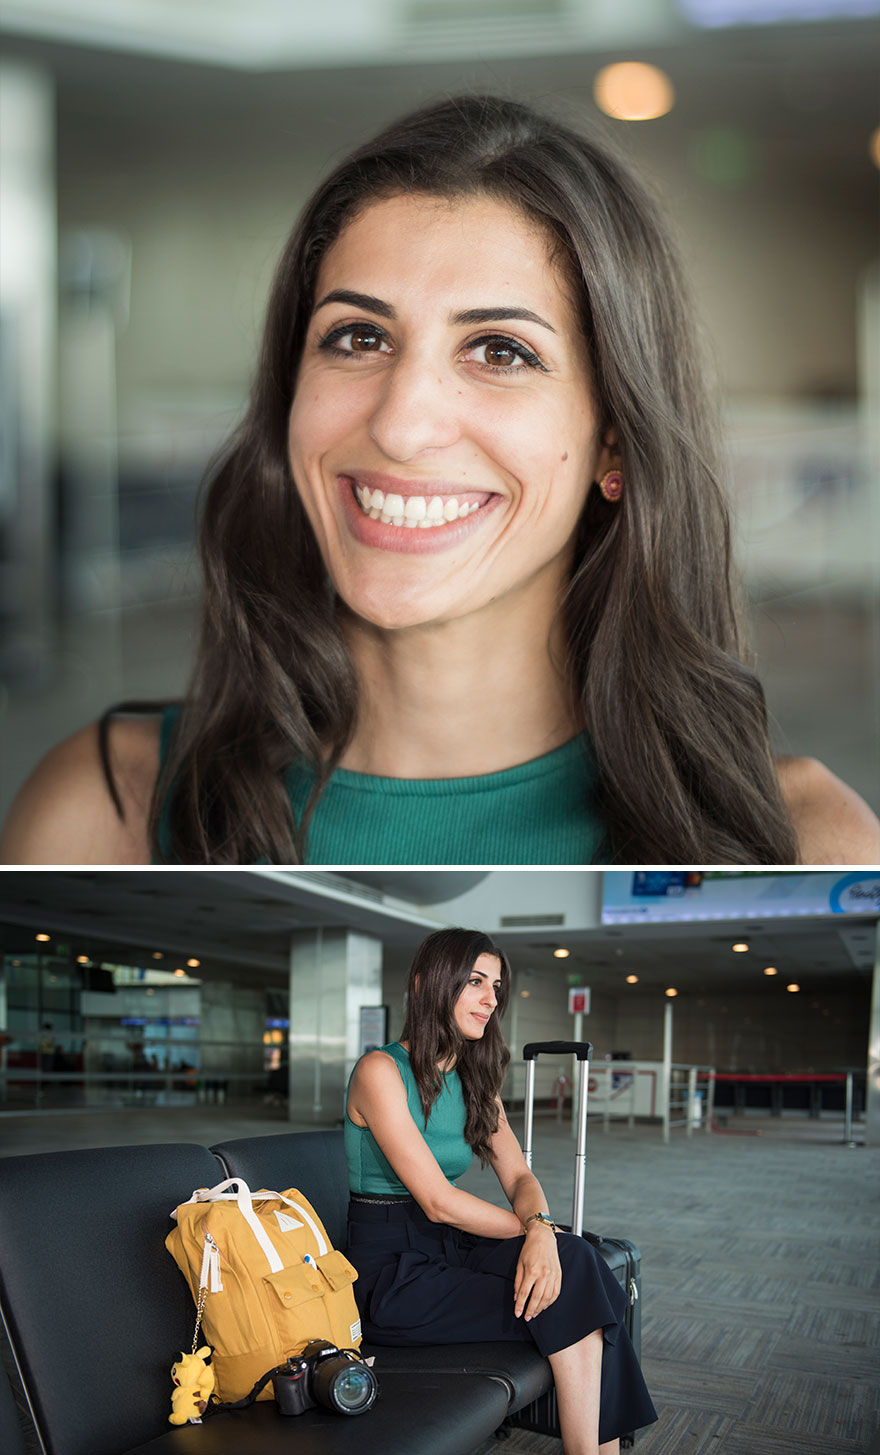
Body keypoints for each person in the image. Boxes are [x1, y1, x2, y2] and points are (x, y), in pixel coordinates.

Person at [3, 94, 879, 866]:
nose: (400, 423)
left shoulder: (805, 844)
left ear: (614, 443)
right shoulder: (104, 810)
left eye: (499, 351)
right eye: (359, 337)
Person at [346, 927, 657, 1455]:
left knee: (577, 1260)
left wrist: (542, 1229)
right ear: (426, 985)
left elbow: (519, 1177)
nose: (491, 999)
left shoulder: (473, 1079)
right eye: (475, 982)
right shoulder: (380, 1070)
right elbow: (438, 1201)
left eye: (495, 985)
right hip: (391, 1276)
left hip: (451, 1249)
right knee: (575, 1283)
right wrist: (537, 1232)